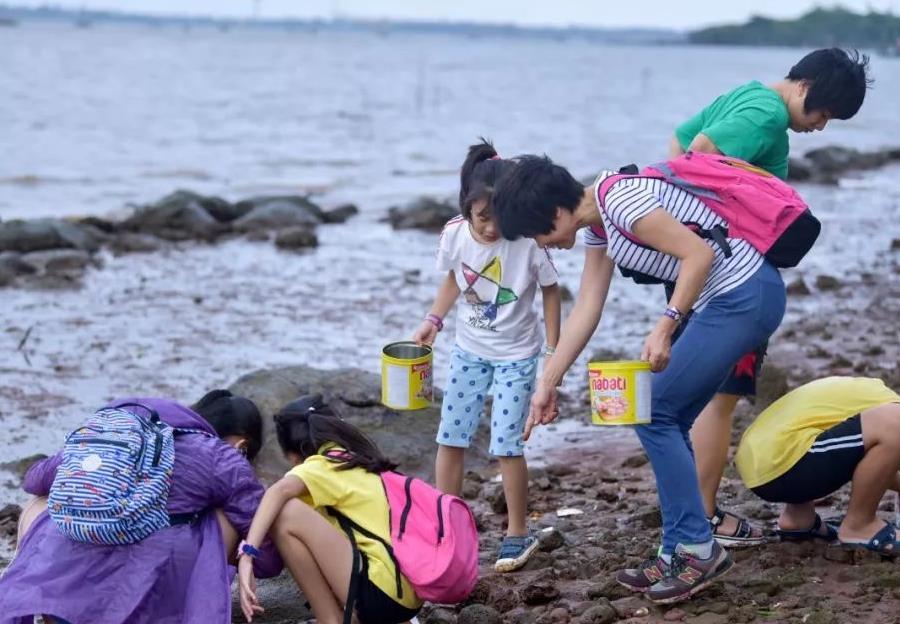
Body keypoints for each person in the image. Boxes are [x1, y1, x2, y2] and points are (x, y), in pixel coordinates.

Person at [491, 152, 787, 604]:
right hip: (732, 300)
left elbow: (699, 253)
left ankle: (695, 548)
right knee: (665, 416)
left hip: (744, 296)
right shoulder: (598, 224)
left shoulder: (623, 200)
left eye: (539, 234)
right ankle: (678, 550)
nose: (543, 244)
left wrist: (665, 326)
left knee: (655, 413)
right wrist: (548, 381)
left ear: (555, 212)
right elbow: (589, 305)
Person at [668, 48, 872, 546]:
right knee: (719, 401)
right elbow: (697, 157)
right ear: (805, 87)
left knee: (696, 398)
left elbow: (675, 146)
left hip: (703, 268)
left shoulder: (748, 94)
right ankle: (705, 515)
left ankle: (693, 509)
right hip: (731, 279)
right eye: (823, 114)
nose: (821, 128)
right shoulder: (766, 115)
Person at [0, 390, 282, 624]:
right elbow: (268, 559)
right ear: (241, 445)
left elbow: (34, 478)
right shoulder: (221, 457)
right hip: (147, 608)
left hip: (62, 603)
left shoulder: (108, 439)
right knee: (217, 520)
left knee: (40, 502)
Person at [412, 139, 561, 572]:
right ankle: (447, 525)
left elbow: (552, 292)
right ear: (467, 207)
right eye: (482, 218)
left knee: (506, 443)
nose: (492, 229)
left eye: (499, 218)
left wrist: (552, 354)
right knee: (450, 436)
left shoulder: (528, 241)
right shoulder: (455, 234)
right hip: (469, 352)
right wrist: (433, 321)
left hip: (517, 355)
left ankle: (517, 532)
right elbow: (456, 281)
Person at [237, 394, 423, 624]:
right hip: (409, 595)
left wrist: (247, 556)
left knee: (285, 513)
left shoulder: (323, 466)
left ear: (294, 456)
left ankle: (328, 619)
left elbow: (277, 492)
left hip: (384, 597)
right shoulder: (360, 461)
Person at [735, 376, 900, 553]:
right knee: (894, 423)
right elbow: (879, 466)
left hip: (758, 466)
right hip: (786, 461)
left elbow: (874, 466)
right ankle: (860, 526)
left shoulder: (870, 394)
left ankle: (797, 518)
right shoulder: (889, 406)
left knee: (823, 434)